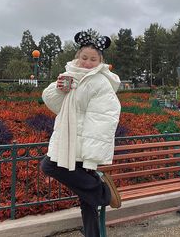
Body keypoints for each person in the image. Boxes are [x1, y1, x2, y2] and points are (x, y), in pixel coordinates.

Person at [41, 30, 121, 237]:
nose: (87, 62)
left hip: (81, 143)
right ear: (78, 57)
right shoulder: (70, 75)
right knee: (86, 199)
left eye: (93, 59)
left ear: (100, 61)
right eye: (84, 58)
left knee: (48, 165)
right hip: (68, 137)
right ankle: (93, 230)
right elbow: (54, 104)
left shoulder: (100, 81)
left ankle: (103, 193)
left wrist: (90, 153)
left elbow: (104, 117)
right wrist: (59, 89)